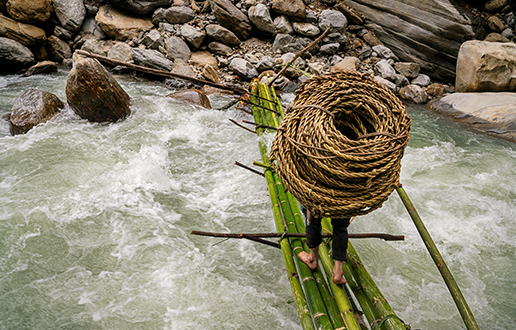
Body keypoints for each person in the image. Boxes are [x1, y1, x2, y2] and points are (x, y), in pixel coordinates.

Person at [297, 209, 351, 285]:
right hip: (343, 199)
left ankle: (312, 259)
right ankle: (338, 272)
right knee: (340, 227)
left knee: (312, 218)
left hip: (320, 198)